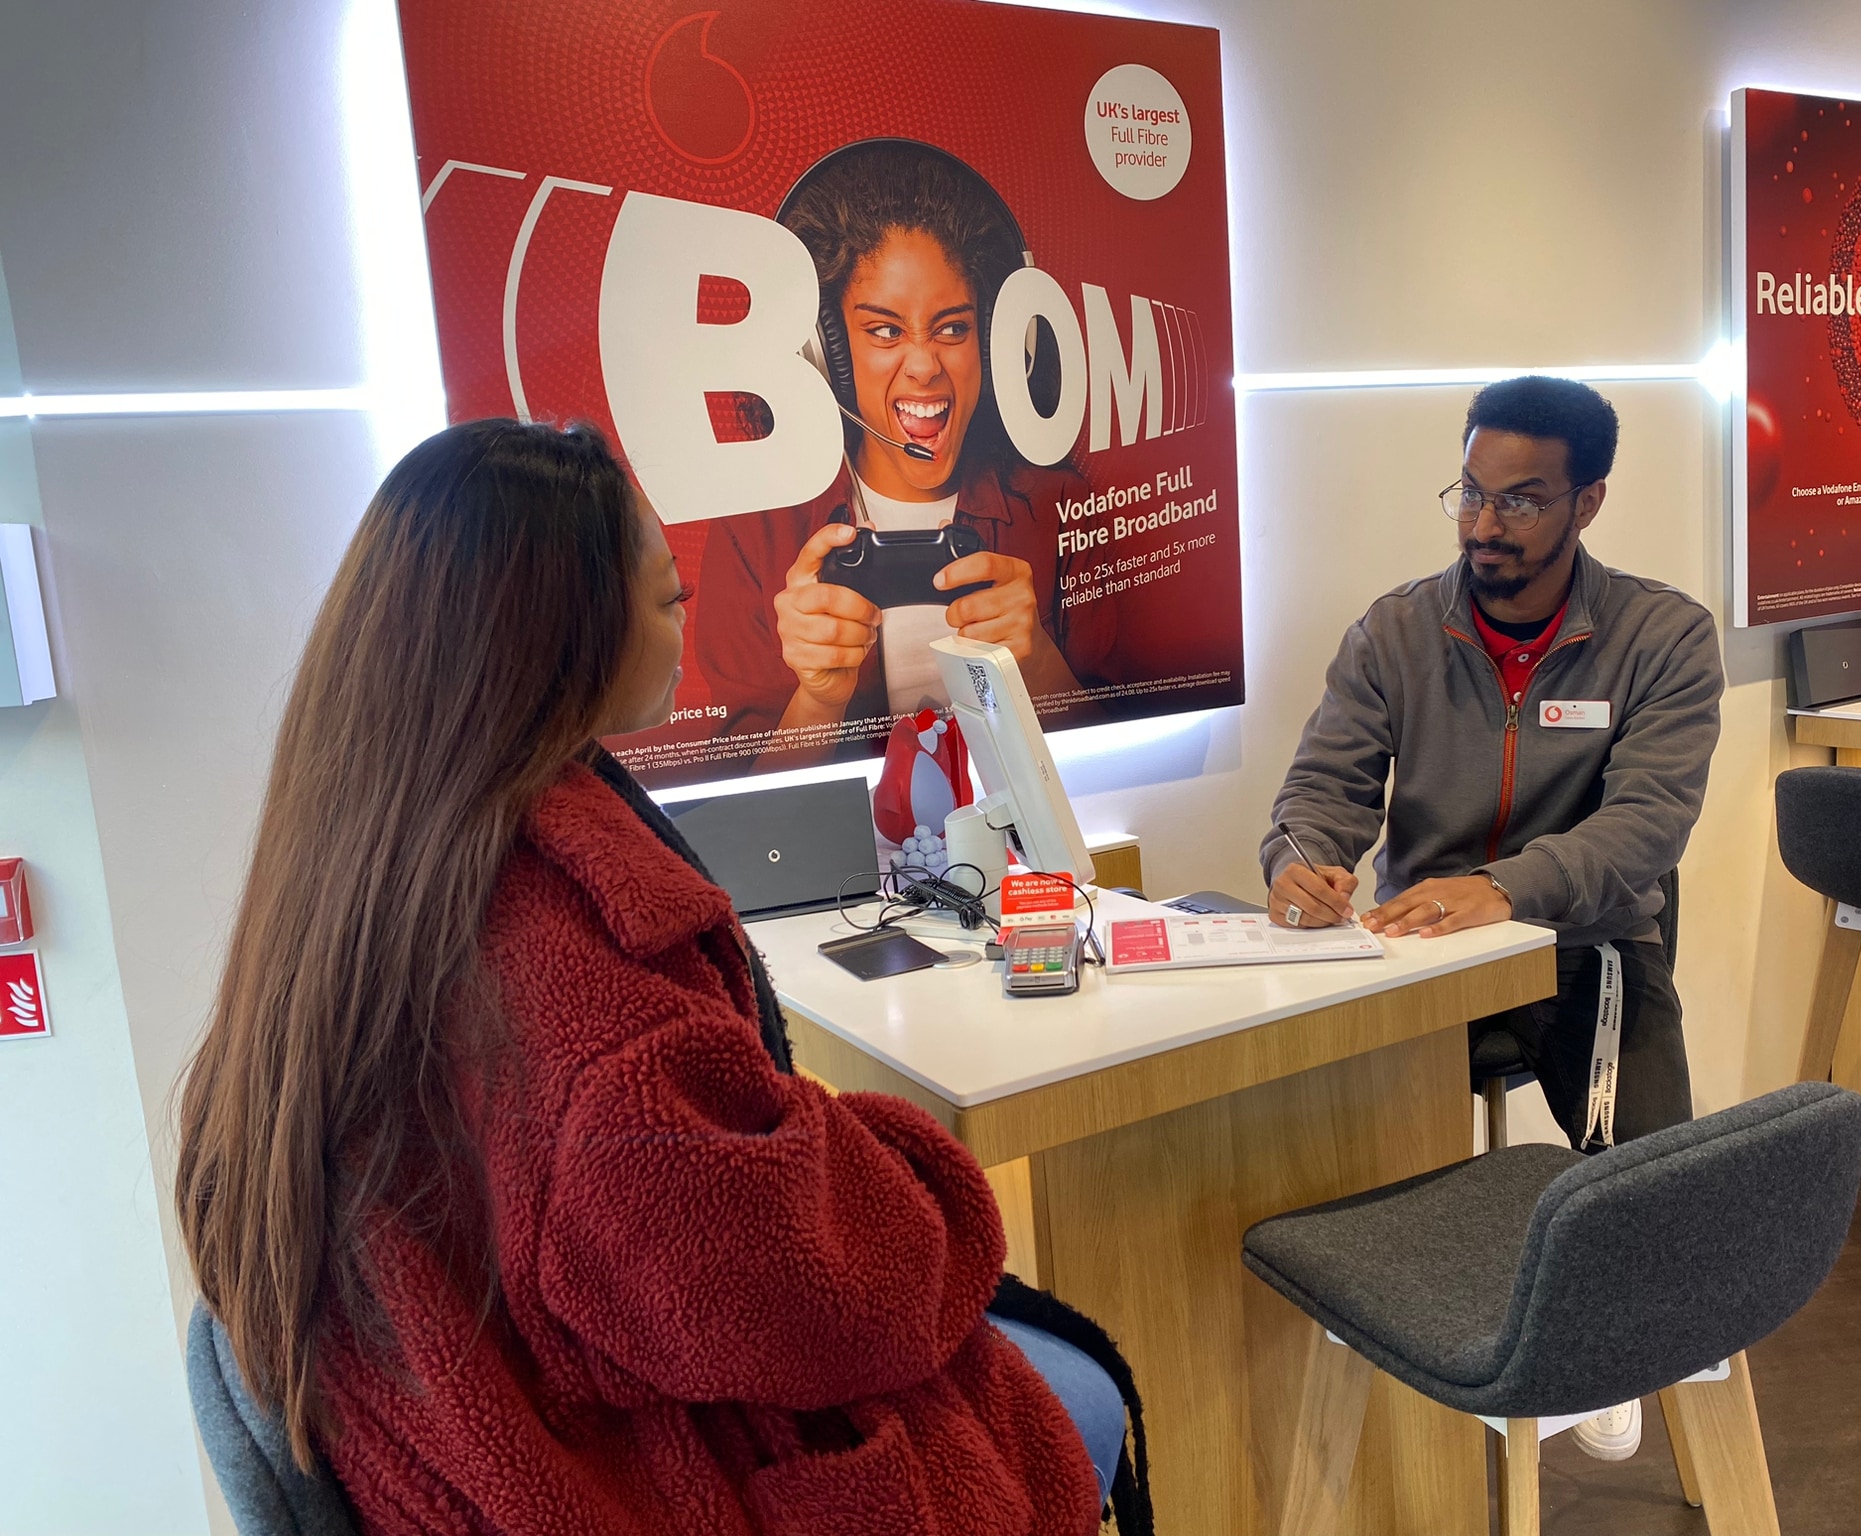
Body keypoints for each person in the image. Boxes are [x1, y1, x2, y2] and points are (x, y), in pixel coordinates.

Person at [175, 420, 1147, 1536]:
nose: (687, 617)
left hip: (463, 1420)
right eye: (666, 599)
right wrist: (913, 1176)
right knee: (1076, 1398)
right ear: (561, 635)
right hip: (608, 1468)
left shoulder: (364, 854)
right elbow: (797, 1292)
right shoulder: (579, 997)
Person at [1261, 376, 1722, 1462]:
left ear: (1587, 501)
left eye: (1519, 501)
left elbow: (1647, 826)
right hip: (1418, 951)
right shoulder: (1394, 631)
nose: (1481, 524)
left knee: (1658, 1205)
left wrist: (1510, 888)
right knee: (1320, 1148)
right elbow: (1320, 790)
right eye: (1469, 492)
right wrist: (1300, 863)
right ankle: (1403, 1347)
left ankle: (1610, 1344)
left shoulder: (1661, 634)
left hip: (1588, 945)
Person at [694, 140, 1112, 763]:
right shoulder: (755, 529)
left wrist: (1040, 667)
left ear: (997, 346)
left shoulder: (1061, 505)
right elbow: (750, 806)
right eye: (885, 330)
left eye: (953, 328)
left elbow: (1128, 764)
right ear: (825, 352)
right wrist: (818, 700)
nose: (923, 366)